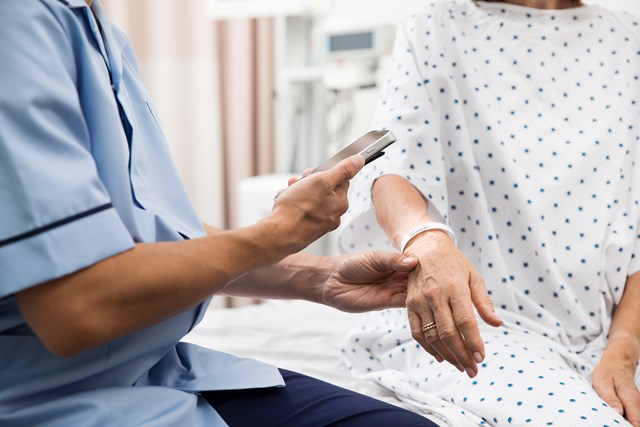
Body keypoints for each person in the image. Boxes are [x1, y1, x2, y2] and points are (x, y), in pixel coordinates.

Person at [0, 0, 442, 425]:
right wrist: (275, 233)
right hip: (51, 400)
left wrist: (319, 277)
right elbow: (77, 304)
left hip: (157, 371)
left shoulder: (99, 31)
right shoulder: (20, 25)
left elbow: (152, 234)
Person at [339, 0, 640, 425]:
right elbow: (393, 169)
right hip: (475, 326)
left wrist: (623, 351)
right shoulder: (436, 27)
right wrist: (425, 242)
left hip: (617, 333)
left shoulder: (631, 38)